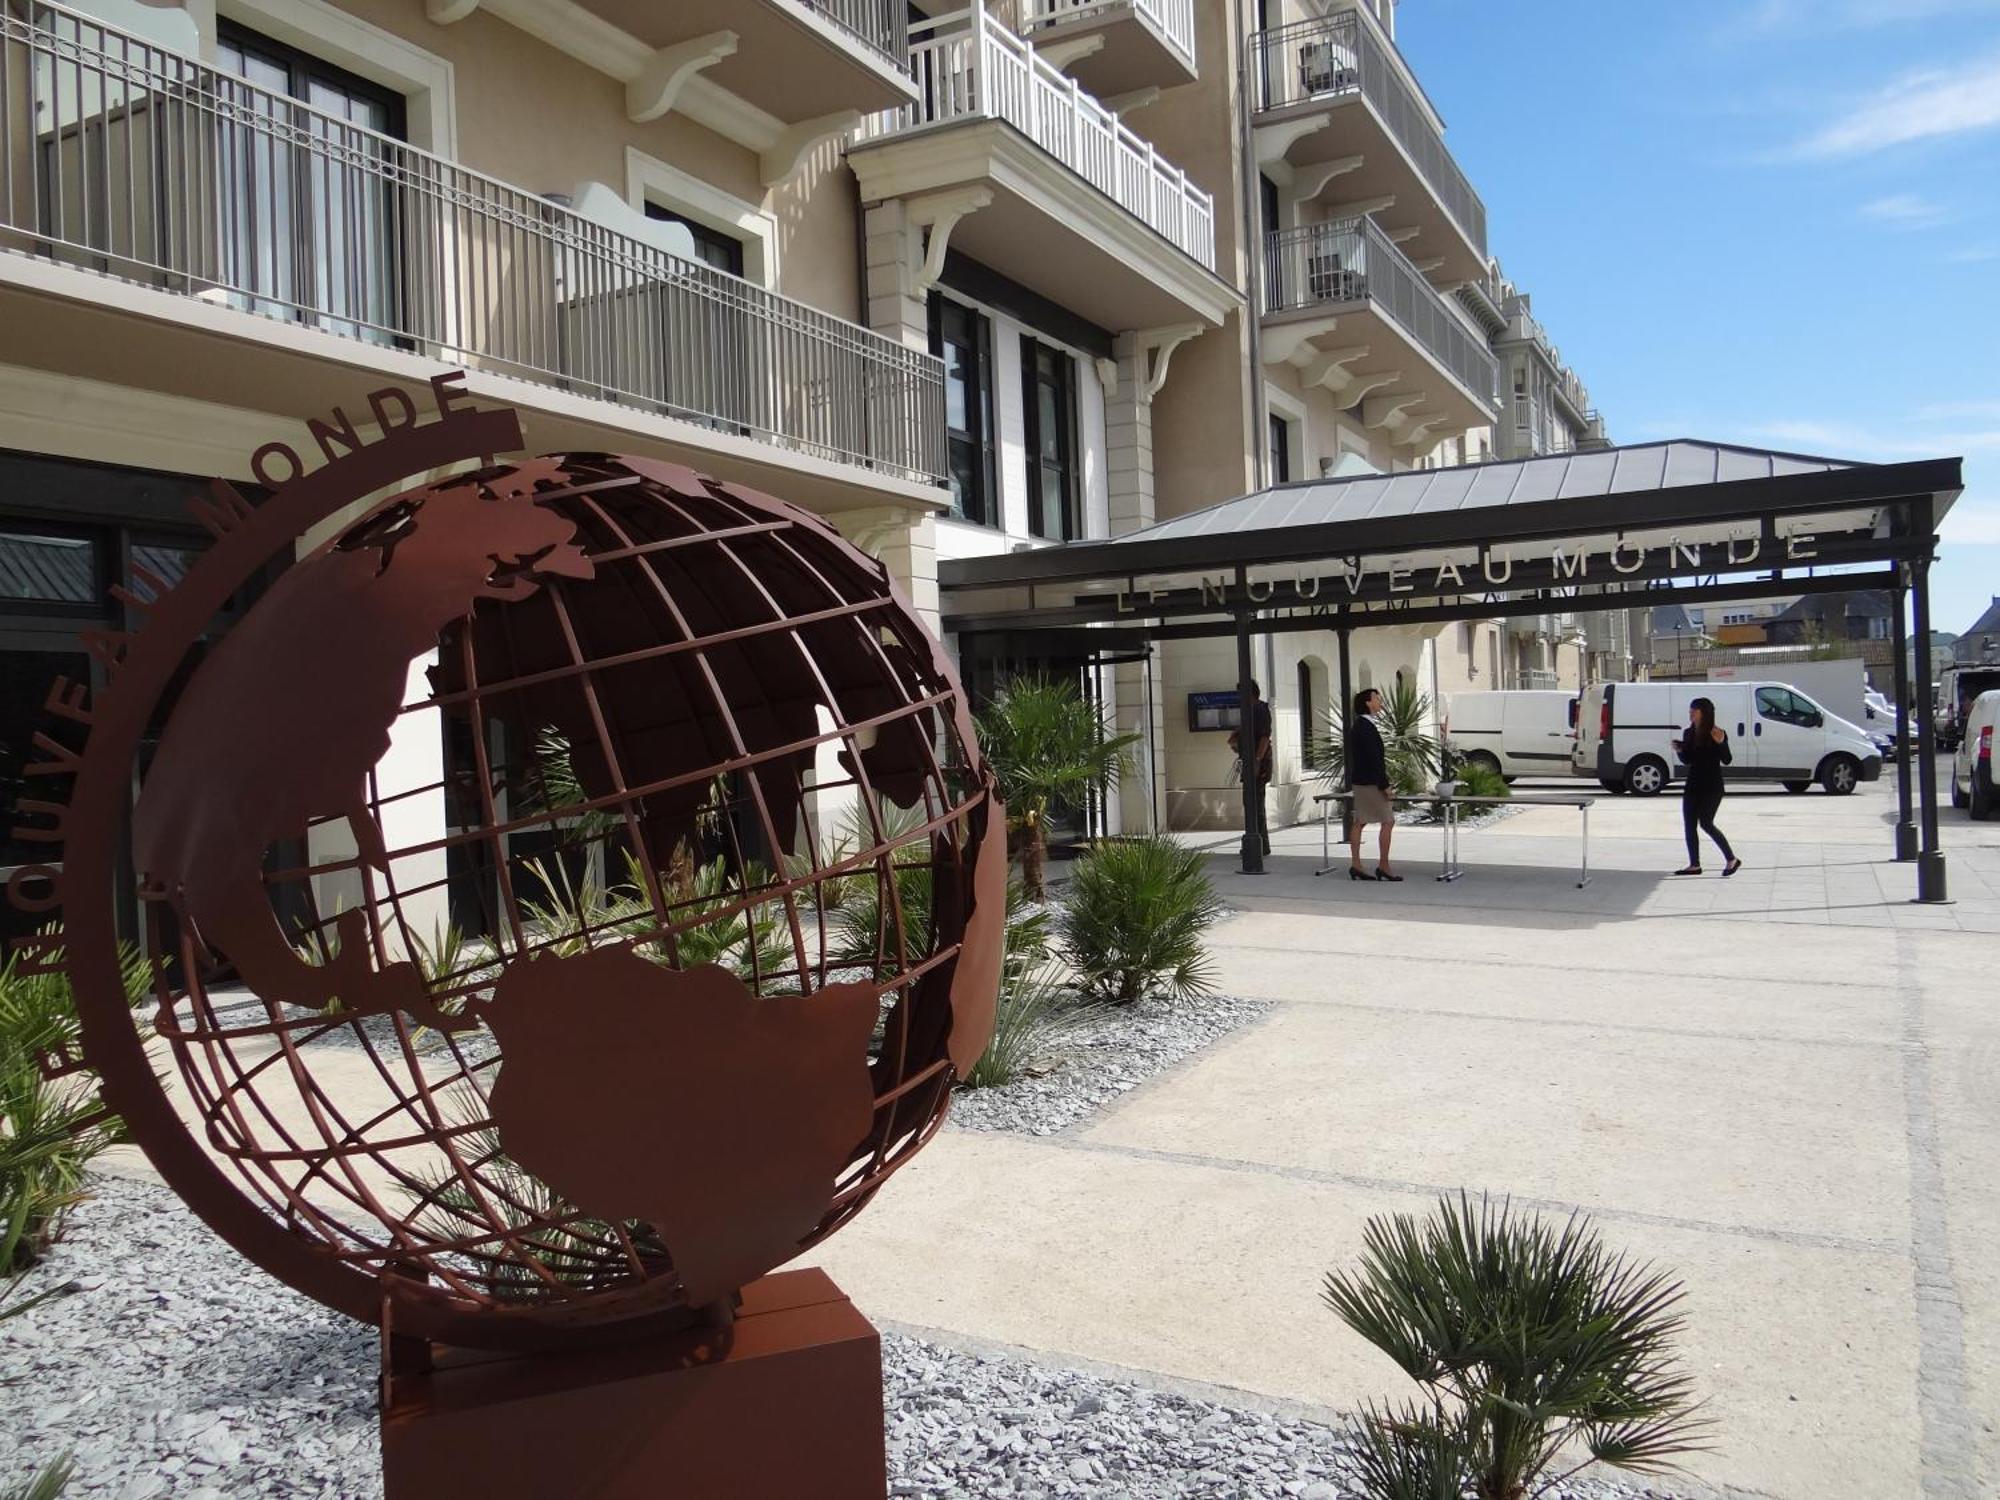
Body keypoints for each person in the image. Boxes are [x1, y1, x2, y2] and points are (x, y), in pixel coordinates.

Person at [1672, 695, 1742, 878]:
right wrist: (1680, 750)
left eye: (1694, 710)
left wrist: (1721, 743)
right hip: (1693, 784)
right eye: (1690, 710)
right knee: (1689, 825)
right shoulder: (1689, 733)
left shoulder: (1717, 732)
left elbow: (1727, 760)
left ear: (1704, 713)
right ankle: (1694, 865)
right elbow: (1688, 760)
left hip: (1712, 786)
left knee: (1706, 823)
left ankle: (1731, 859)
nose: (1690, 713)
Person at [1346, 687, 1399, 881]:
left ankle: (1357, 864)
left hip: (1363, 781)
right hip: (1370, 782)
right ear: (1368, 703)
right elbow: (1374, 758)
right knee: (1387, 820)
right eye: (1376, 698)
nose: (1380, 700)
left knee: (1361, 821)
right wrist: (1384, 785)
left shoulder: (1363, 725)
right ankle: (1383, 865)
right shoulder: (1365, 727)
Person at [1227, 679, 1273, 856]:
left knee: (1255, 803)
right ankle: (1260, 843)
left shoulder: (1260, 710)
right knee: (1251, 803)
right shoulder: (1249, 712)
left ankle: (1259, 844)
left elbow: (1264, 737)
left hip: (1257, 764)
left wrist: (1257, 760)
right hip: (1250, 762)